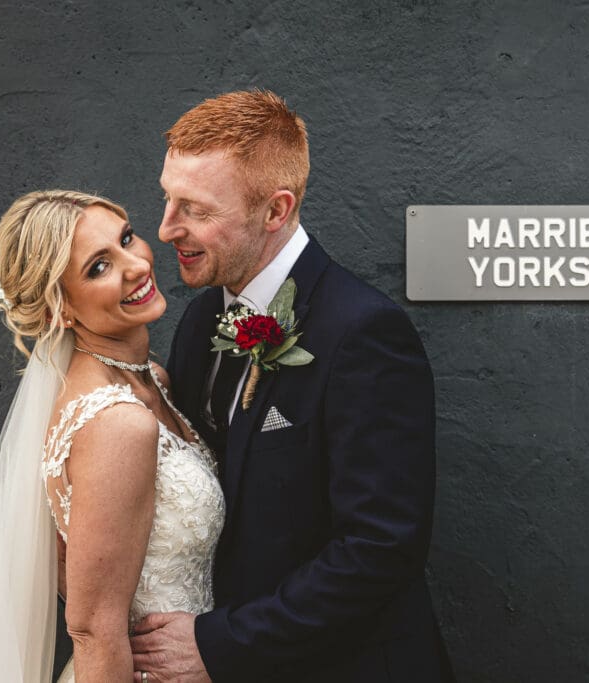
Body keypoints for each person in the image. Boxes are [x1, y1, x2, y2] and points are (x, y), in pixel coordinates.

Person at [131, 90, 454, 682]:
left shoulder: (364, 333)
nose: (166, 228)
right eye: (167, 199)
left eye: (196, 209)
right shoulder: (202, 320)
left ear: (275, 211)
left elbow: (380, 548)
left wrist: (221, 644)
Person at [0, 190, 225, 682]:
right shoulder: (117, 422)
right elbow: (94, 628)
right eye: (98, 267)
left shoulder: (152, 380)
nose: (136, 265)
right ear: (59, 311)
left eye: (126, 239)